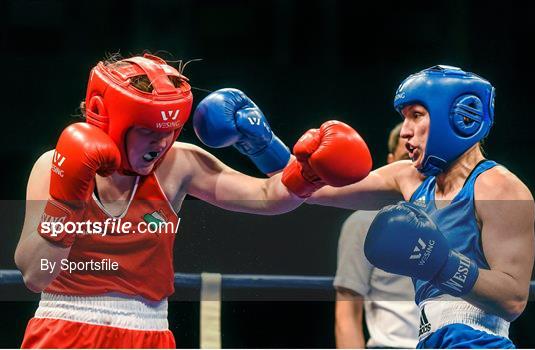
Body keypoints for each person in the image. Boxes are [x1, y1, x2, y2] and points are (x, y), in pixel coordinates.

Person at [14, 53, 372, 348]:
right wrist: (67, 201)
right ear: (106, 117)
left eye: (169, 130)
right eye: (148, 130)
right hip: (65, 326)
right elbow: (35, 275)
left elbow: (267, 196)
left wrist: (307, 173)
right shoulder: (52, 167)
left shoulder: (178, 164)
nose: (161, 142)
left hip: (148, 331)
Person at [291, 65, 535, 348]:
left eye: (416, 116)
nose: (405, 132)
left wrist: (443, 264)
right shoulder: (409, 177)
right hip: (428, 339)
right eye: (404, 118)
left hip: (477, 340)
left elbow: (513, 300)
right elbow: (315, 188)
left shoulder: (498, 187)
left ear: (459, 118)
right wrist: (263, 147)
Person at [334, 122, 420, 349]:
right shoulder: (364, 223)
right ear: (392, 163)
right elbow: (347, 314)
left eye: (421, 159)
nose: (414, 168)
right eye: (406, 158)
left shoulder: (458, 217)